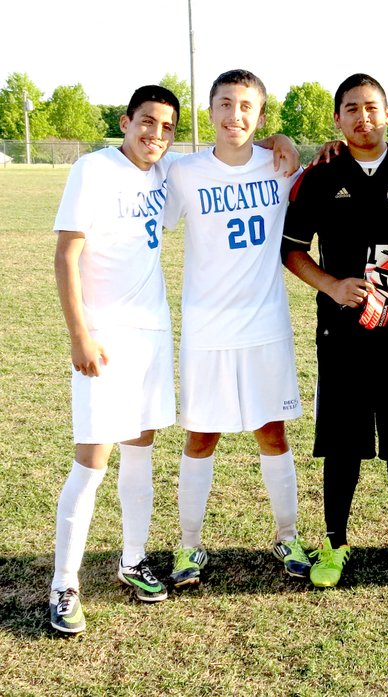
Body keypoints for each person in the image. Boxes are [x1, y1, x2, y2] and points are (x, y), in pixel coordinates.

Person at [281, 73, 388, 588]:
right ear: (337, 119)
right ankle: (334, 545)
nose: (363, 117)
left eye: (372, 108)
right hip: (341, 336)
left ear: (387, 114)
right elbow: (292, 251)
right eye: (352, 109)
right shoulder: (318, 176)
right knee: (341, 443)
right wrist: (332, 286)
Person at [163, 69, 310, 587]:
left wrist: (285, 142)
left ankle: (288, 536)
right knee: (201, 437)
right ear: (210, 112)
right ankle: (188, 546)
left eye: (246, 106)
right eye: (225, 104)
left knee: (273, 432)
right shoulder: (183, 172)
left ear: (261, 116)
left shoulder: (281, 165)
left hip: (265, 326)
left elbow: (319, 160)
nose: (235, 116)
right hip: (207, 331)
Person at [50, 85, 181, 634]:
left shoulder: (163, 175)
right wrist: (80, 334)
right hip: (104, 337)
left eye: (167, 127)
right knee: (92, 460)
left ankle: (132, 559)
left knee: (141, 449)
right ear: (126, 122)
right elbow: (65, 254)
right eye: (146, 122)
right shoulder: (94, 169)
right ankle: (64, 584)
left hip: (151, 332)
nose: (155, 135)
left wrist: (278, 139)